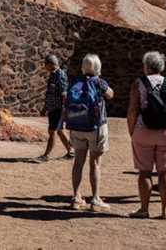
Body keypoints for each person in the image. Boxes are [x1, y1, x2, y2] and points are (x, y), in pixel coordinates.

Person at [127, 52, 166, 220]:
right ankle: (165, 211)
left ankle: (144, 209)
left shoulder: (139, 83)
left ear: (147, 66)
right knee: (165, 171)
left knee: (144, 172)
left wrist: (132, 131)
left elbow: (132, 111)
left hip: (143, 131)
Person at [67, 54, 114, 213]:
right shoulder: (99, 82)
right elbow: (111, 94)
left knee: (78, 162)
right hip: (95, 127)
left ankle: (76, 197)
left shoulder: (76, 82)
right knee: (95, 163)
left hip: (77, 126)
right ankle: (95, 199)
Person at [36, 54, 73, 162]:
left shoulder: (60, 75)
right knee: (60, 131)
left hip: (58, 108)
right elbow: (50, 94)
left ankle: (46, 155)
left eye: (46, 64)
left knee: (52, 131)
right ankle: (71, 151)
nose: (45, 66)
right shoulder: (53, 75)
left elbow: (64, 93)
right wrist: (45, 108)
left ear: (51, 64)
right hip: (53, 108)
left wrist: (64, 110)